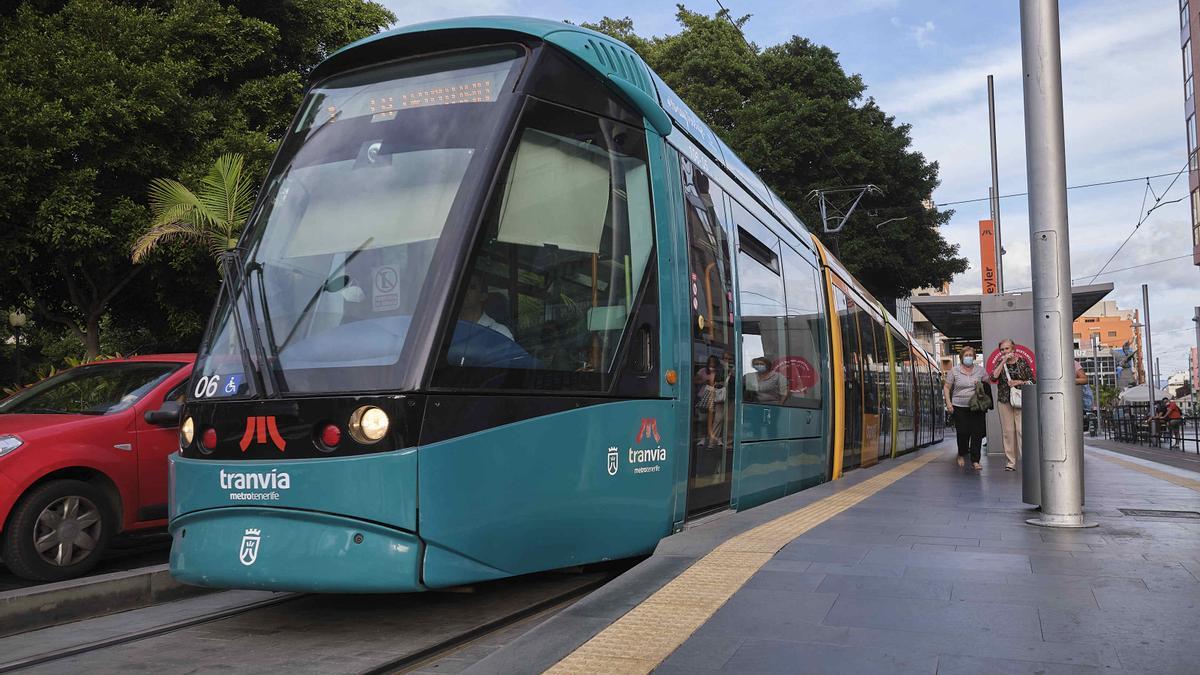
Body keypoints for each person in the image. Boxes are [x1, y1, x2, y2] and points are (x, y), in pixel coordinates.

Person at [990, 339, 1034, 471]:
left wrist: (1018, 382)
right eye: (1002, 349)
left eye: (1007, 349)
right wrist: (1003, 361)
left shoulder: (1022, 362)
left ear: (1013, 349)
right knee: (1008, 432)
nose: (1004, 351)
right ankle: (1010, 462)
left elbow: (1032, 380)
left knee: (1021, 431)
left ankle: (1026, 461)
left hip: (1020, 400)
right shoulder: (1000, 363)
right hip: (1004, 401)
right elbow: (993, 377)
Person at [944, 346, 987, 470]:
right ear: (961, 357)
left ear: (974, 357)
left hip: (976, 407)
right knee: (963, 432)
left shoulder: (980, 370)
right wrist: (949, 403)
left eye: (970, 355)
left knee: (976, 434)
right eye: (966, 355)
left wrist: (980, 385)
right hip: (959, 406)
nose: (968, 357)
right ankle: (961, 454)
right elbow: (947, 387)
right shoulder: (954, 371)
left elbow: (987, 383)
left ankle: (975, 460)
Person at [459, 273, 512, 339]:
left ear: (483, 296)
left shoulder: (499, 332)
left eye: (472, 287)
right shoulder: (446, 324)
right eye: (461, 286)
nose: (465, 290)